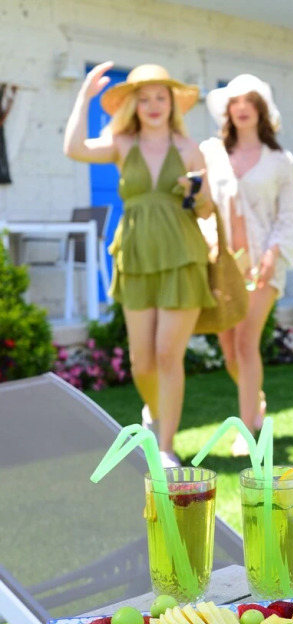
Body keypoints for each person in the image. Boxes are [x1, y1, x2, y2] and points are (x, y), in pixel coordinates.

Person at [63, 62, 216, 468]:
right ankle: (154, 413)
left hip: (182, 256)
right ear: (133, 104)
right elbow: (73, 149)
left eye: (160, 97)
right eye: (144, 98)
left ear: (172, 103)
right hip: (135, 256)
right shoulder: (122, 144)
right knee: (142, 362)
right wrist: (84, 96)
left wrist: (196, 191)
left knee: (167, 355)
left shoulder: (188, 148)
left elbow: (206, 209)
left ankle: (165, 447)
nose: (153, 105)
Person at [201, 74, 293, 456]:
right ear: (228, 110)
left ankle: (246, 431)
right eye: (235, 101)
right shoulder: (211, 153)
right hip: (223, 267)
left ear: (261, 109)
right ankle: (255, 401)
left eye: (249, 101)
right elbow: (201, 207)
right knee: (229, 350)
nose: (242, 108)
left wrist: (274, 254)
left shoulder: (280, 161)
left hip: (263, 266)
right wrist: (209, 241)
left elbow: (288, 216)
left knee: (246, 341)